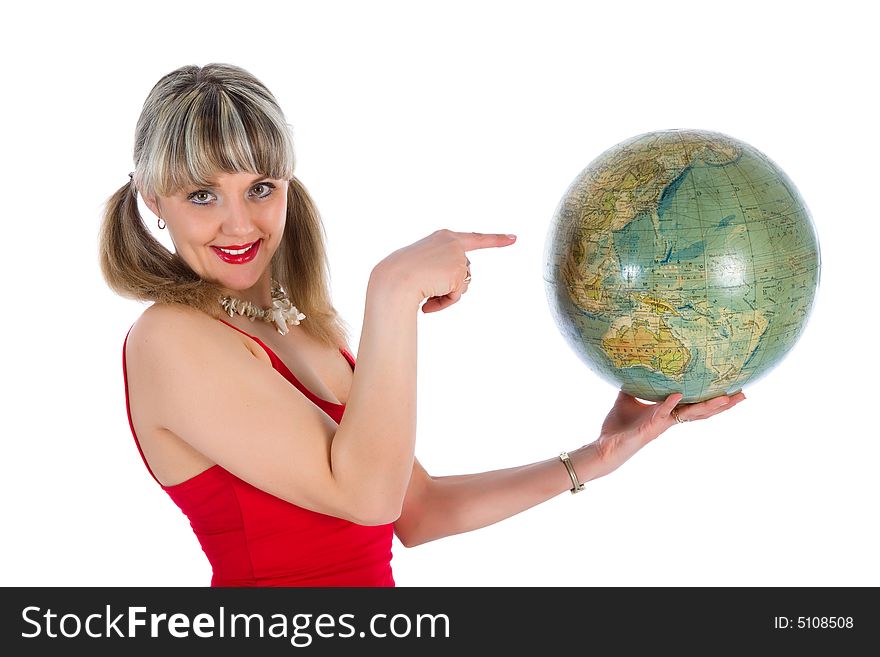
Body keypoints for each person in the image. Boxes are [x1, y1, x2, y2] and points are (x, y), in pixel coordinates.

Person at [99, 63, 745, 587]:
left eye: (261, 187)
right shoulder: (167, 340)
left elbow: (417, 508)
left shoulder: (299, 328)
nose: (240, 225)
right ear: (153, 200)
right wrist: (393, 291)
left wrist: (598, 457)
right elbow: (366, 495)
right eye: (202, 196)